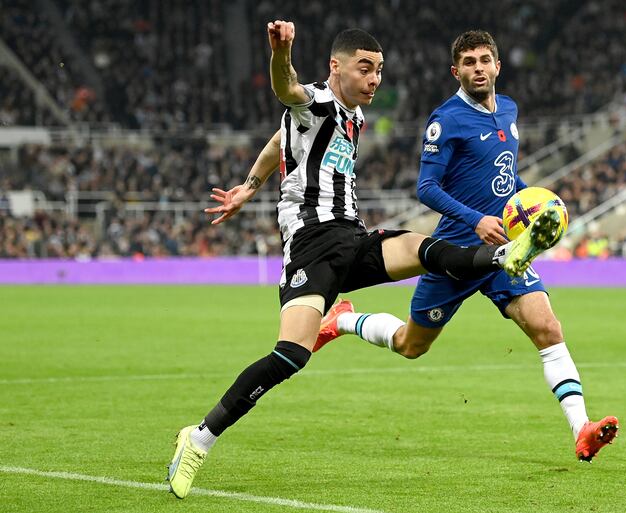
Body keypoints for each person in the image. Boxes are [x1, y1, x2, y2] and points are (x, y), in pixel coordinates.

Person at [166, 21, 559, 499]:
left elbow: (278, 142)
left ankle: (502, 257)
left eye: (379, 71)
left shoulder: (354, 117)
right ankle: (199, 438)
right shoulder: (314, 100)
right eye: (365, 69)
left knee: (422, 249)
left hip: (351, 235)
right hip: (311, 244)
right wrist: (282, 50)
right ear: (336, 67)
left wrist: (249, 187)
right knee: (291, 354)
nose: (375, 80)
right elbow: (284, 88)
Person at [314, 30, 619, 463]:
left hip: (503, 254)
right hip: (454, 252)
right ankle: (343, 320)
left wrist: (533, 205)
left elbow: (506, 179)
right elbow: (426, 187)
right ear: (456, 71)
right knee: (410, 344)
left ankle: (581, 429)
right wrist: (476, 220)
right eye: (469, 62)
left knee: (548, 329)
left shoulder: (509, 110)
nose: (478, 68)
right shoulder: (446, 119)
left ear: (497, 65)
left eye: (485, 60)